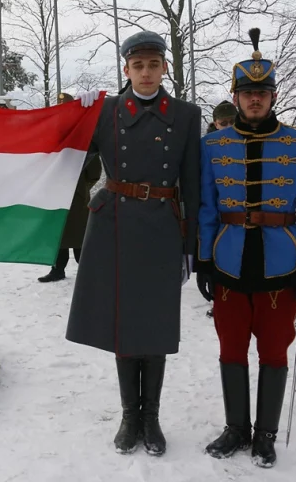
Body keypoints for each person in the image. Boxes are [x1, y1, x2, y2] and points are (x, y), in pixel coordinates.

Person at [195, 29, 296, 469]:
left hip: (281, 264)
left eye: (262, 92)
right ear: (235, 97)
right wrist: (203, 258)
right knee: (231, 348)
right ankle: (236, 428)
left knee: (274, 351)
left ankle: (265, 435)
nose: (255, 99)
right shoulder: (212, 146)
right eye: (247, 92)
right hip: (228, 261)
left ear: (273, 96)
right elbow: (206, 207)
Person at [70, 31, 201, 456]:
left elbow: (193, 184)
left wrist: (191, 246)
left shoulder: (185, 114)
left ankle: (152, 418)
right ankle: (130, 416)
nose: (146, 73)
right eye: (137, 66)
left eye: (153, 65)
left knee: (156, 325)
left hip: (163, 225)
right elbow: (64, 146)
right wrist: (75, 109)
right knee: (124, 325)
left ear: (165, 68)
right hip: (114, 227)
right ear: (126, 70)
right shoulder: (104, 112)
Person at [38, 93, 103, 283]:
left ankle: (88, 272)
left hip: (76, 195)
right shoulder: (52, 138)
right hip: (55, 194)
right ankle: (57, 270)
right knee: (58, 234)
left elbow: (94, 172)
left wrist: (80, 188)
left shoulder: (84, 139)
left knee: (79, 236)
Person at [203, 101, 239, 317]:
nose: (227, 127)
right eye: (222, 123)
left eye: (231, 122)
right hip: (216, 214)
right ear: (215, 124)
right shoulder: (208, 147)